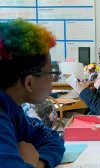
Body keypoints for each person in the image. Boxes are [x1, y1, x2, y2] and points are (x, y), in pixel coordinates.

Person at [0, 19, 65, 167]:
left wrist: (39, 163)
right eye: (50, 74)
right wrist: (28, 163)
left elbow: (52, 138)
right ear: (29, 82)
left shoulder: (13, 111)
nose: (52, 81)